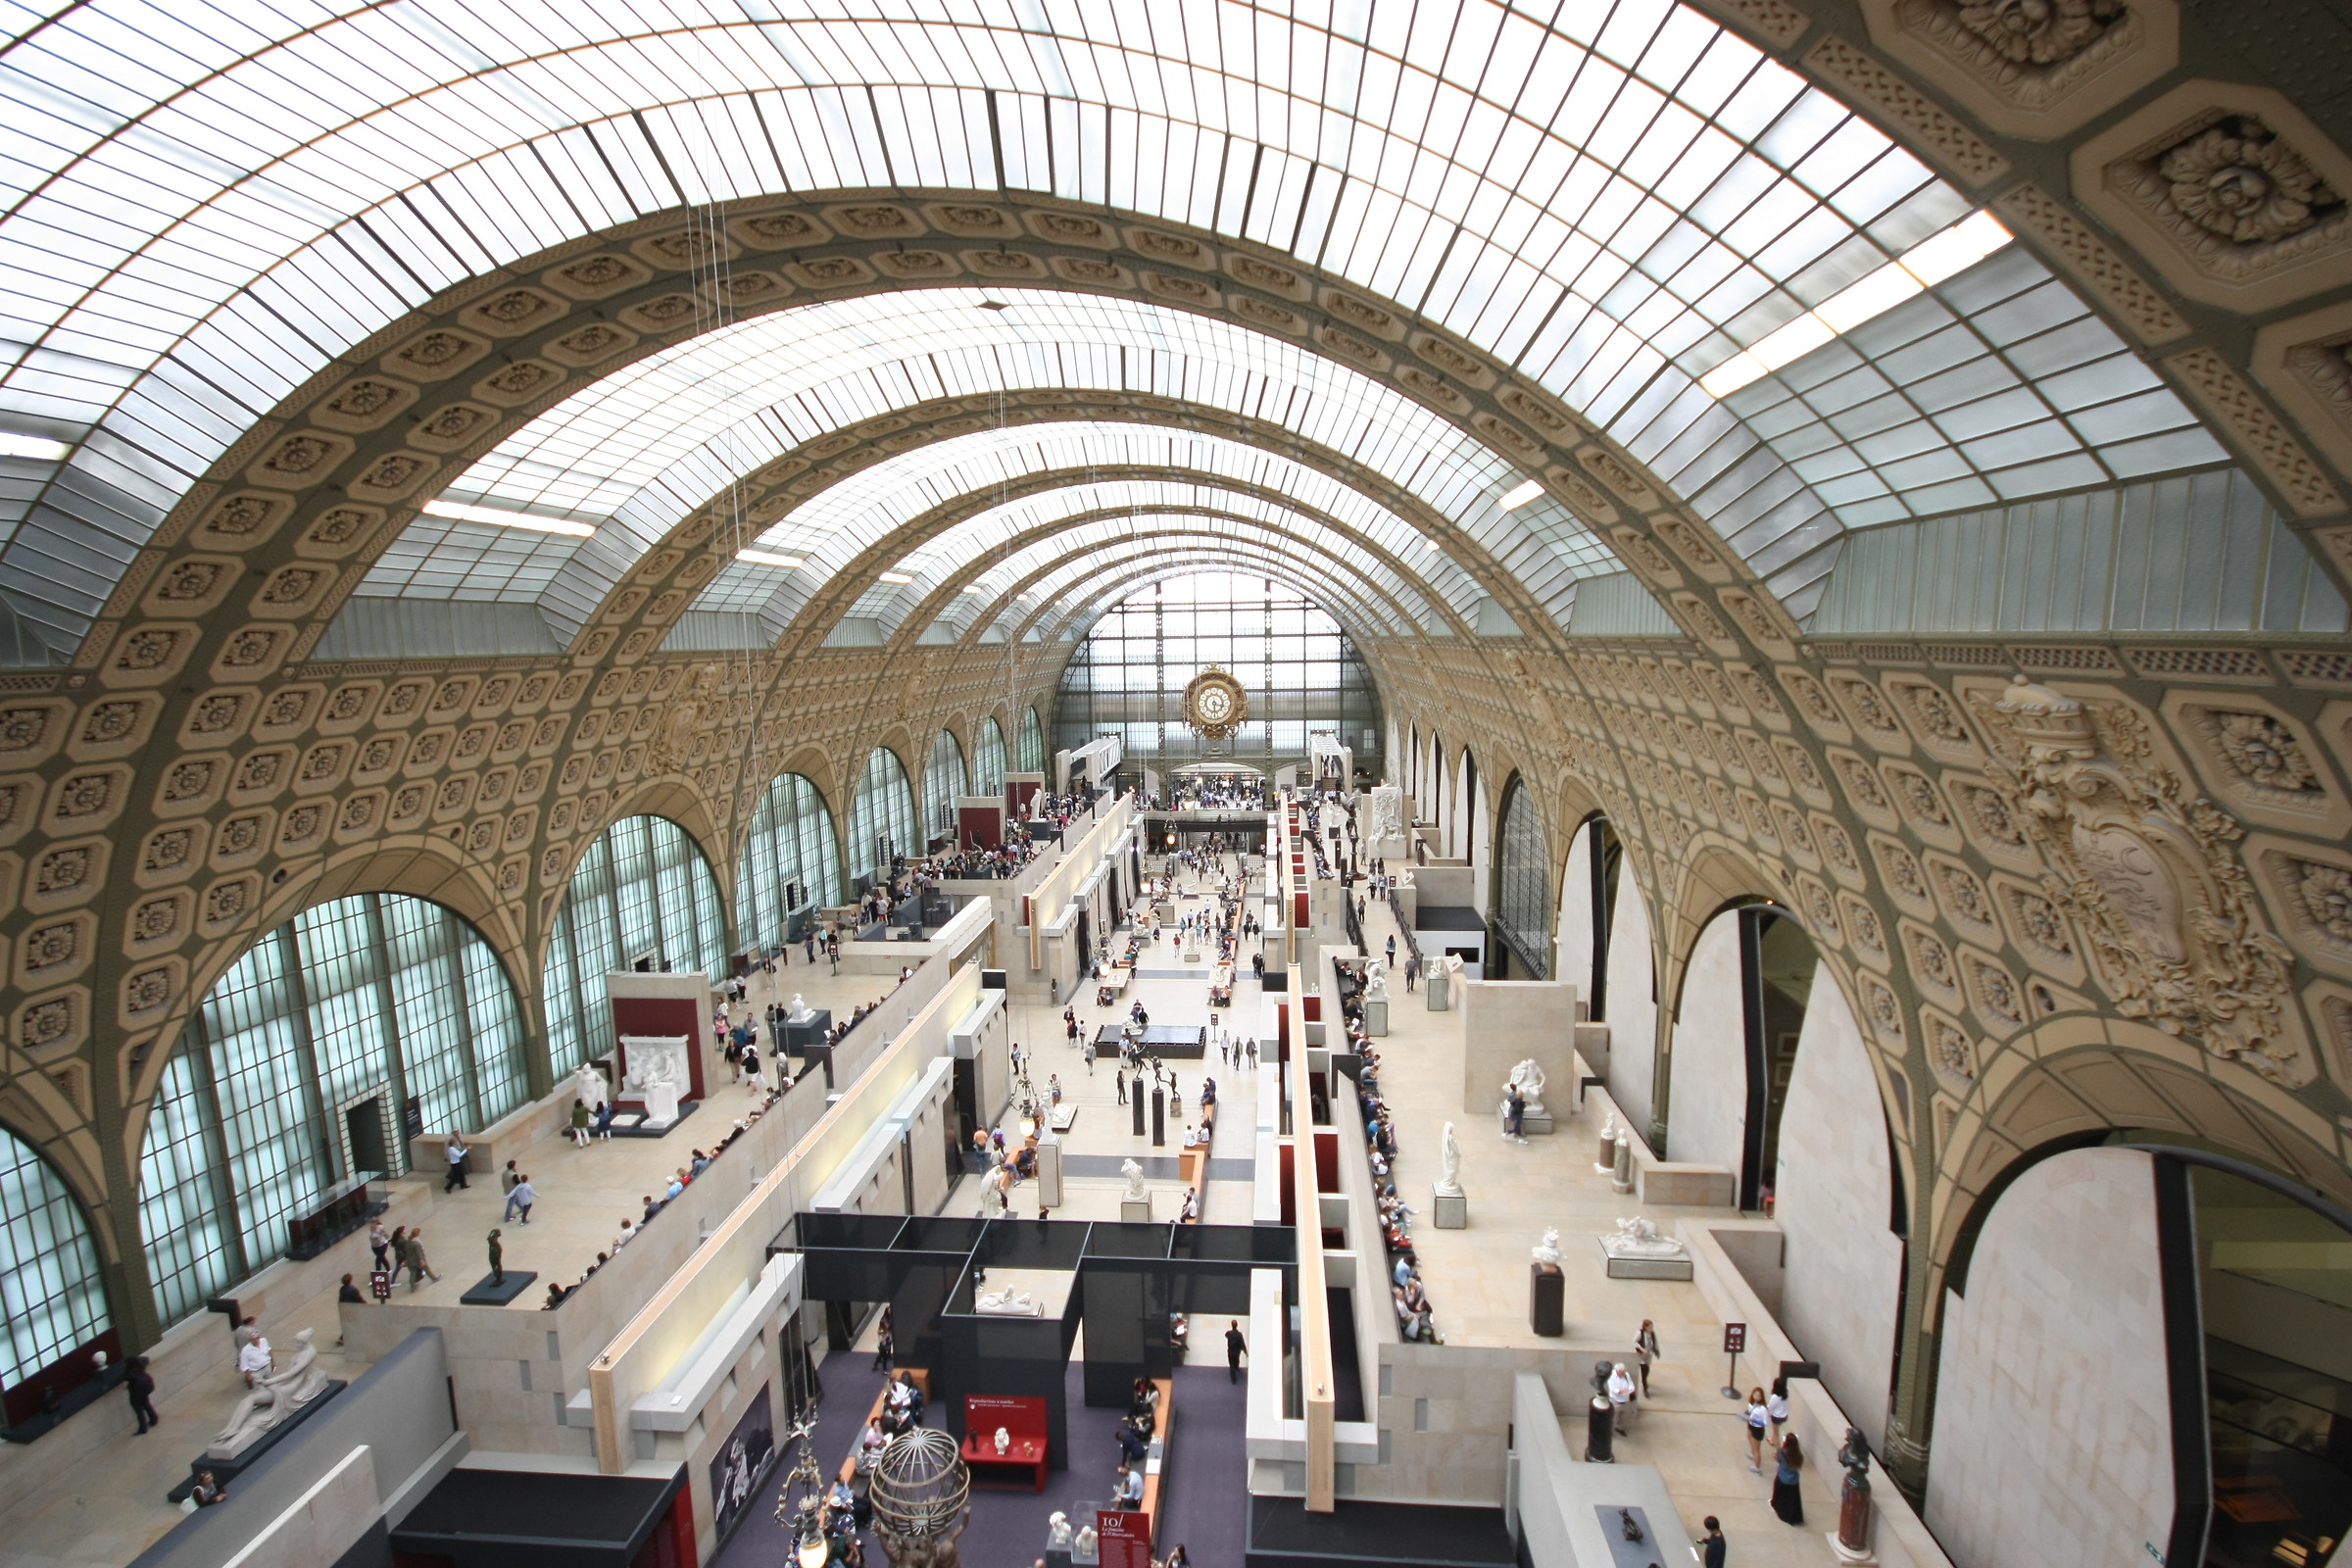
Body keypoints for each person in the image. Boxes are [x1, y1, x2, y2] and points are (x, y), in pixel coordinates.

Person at [1771, 1434, 1805, 1525]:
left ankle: (1778, 1508)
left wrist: (1775, 1456)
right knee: (1793, 1500)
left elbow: (1778, 1459)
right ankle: (1794, 1517)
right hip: (1794, 1480)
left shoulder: (1783, 1452)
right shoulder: (1799, 1455)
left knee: (1779, 1494)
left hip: (1782, 1478)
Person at [126, 1354, 160, 1435]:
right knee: (147, 1404)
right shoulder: (140, 1365)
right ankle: (154, 1419)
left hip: (136, 1393)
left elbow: (126, 1380)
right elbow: (146, 1359)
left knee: (139, 1411)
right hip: (144, 1390)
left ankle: (143, 1428)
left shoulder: (130, 1372)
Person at [1743, 1387, 1770, 1474]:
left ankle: (1757, 1468)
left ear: (1762, 1397)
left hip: (1758, 1428)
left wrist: (1754, 1420)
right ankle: (1753, 1454)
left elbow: (1765, 1422)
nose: (1756, 1397)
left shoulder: (1763, 1409)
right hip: (1751, 1425)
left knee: (1756, 1448)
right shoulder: (1753, 1403)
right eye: (1755, 1394)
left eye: (1759, 1395)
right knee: (1749, 1437)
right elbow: (1751, 1411)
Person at [1607, 1361, 1638, 1434]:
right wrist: (1624, 1391)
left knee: (1624, 1416)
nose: (1623, 1374)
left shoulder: (1626, 1375)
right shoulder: (1611, 1377)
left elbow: (1631, 1385)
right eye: (1622, 1372)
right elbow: (1614, 1390)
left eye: (1624, 1372)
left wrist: (1630, 1390)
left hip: (1626, 1400)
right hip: (1615, 1401)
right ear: (1617, 1371)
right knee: (1614, 1417)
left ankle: (1620, 1428)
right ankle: (1610, 1430)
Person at [1635, 1319, 1661, 1397]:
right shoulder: (1640, 1333)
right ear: (1646, 1327)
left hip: (1648, 1355)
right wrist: (1642, 1349)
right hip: (1641, 1355)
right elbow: (1634, 1342)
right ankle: (1645, 1388)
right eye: (1650, 1327)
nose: (1652, 1328)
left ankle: (1644, 1381)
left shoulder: (1652, 1334)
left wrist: (1657, 1351)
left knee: (1647, 1369)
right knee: (1644, 1370)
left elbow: (1655, 1343)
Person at [1766, 1377, 1790, 1446]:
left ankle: (1778, 1449)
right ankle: (1772, 1440)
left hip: (1776, 1417)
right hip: (1784, 1416)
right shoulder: (1786, 1395)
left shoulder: (1775, 1397)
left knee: (1776, 1432)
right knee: (1776, 1429)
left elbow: (1770, 1407)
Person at [1225, 1320, 1247, 1385]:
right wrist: (1245, 1351)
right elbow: (1242, 1343)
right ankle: (1236, 1367)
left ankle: (1233, 1380)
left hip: (1230, 1351)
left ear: (1231, 1325)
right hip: (1237, 1351)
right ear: (1237, 1325)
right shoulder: (1239, 1334)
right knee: (1236, 1359)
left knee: (1231, 1365)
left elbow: (1226, 1336)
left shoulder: (1228, 1333)